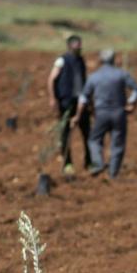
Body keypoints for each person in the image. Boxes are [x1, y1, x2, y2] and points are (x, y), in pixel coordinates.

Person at [71, 49, 137, 179]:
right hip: (119, 113)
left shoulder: (94, 77)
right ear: (114, 59)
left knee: (94, 140)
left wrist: (77, 116)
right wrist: (131, 103)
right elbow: (136, 89)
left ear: (100, 60)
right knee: (118, 143)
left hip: (101, 113)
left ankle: (98, 164)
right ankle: (113, 173)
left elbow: (83, 98)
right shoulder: (122, 74)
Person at [47, 35, 91, 175]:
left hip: (81, 102)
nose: (78, 48)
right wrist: (53, 98)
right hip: (66, 102)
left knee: (87, 132)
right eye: (76, 45)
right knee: (66, 134)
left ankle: (89, 161)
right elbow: (51, 79)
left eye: (79, 45)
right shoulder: (62, 60)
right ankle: (67, 163)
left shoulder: (81, 61)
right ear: (69, 46)